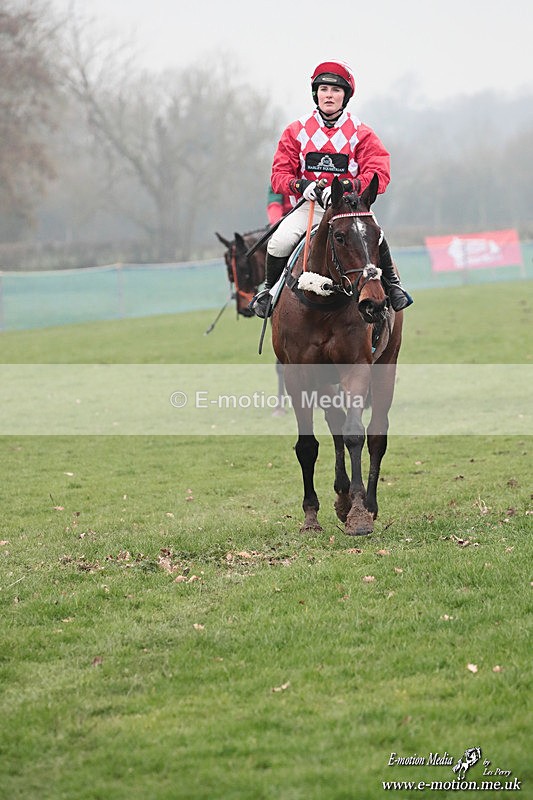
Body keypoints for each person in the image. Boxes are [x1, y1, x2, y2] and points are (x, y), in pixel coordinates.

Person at [251, 60, 413, 318]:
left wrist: (348, 186)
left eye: (336, 90)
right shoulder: (295, 131)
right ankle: (269, 291)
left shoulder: (362, 133)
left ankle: (393, 286)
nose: (329, 95)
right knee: (279, 241)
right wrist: (303, 186)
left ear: (345, 96)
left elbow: (379, 173)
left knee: (378, 236)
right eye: (324, 89)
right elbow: (279, 175)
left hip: (349, 210)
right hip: (310, 208)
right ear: (316, 94)